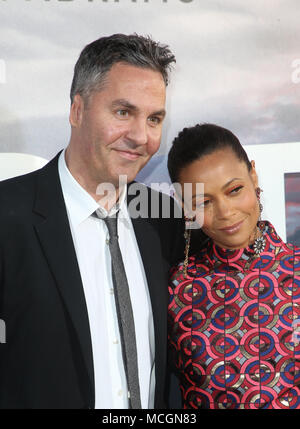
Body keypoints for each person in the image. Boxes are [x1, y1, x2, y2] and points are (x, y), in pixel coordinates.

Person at [0, 34, 184, 409]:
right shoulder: (7, 215)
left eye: (154, 119)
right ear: (77, 110)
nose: (140, 137)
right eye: (122, 112)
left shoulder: (165, 220)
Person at [167, 123, 300, 409]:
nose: (226, 212)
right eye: (204, 201)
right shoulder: (176, 289)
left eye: (234, 189)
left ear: (253, 174)